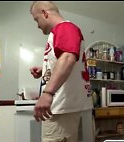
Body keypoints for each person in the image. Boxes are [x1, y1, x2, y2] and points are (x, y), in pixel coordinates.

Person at [29, 1, 93, 141]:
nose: (37, 25)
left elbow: (68, 57)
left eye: (36, 19)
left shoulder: (65, 27)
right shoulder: (62, 30)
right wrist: (45, 69)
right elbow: (65, 59)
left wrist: (47, 93)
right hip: (60, 106)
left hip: (60, 107)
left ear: (45, 13)